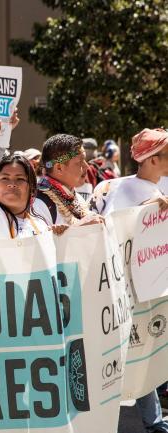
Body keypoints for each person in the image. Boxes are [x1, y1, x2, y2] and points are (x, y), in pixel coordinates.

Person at [90, 128, 168, 433]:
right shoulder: (120, 190)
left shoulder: (156, 187)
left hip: (153, 287)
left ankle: (154, 420)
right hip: (127, 290)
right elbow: (114, 233)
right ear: (151, 159)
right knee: (132, 353)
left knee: (148, 349)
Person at [36, 134, 99, 225]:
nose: (87, 166)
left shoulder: (75, 197)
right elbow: (42, 239)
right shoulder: (39, 203)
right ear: (59, 168)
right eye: (80, 162)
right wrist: (80, 228)